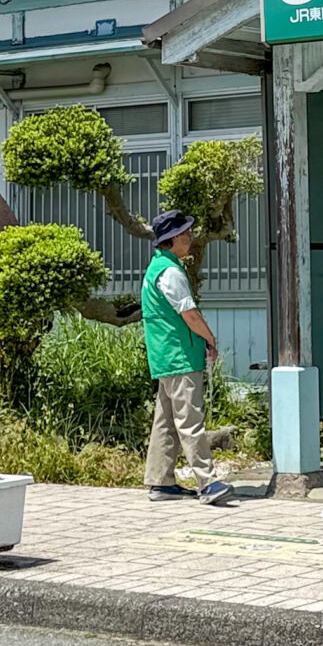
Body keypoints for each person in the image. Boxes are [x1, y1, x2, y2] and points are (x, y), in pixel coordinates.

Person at [141, 209, 235, 505]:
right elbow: (189, 314)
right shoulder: (171, 272)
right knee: (190, 419)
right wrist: (209, 337)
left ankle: (161, 482)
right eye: (186, 233)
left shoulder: (156, 267)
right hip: (180, 355)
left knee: (165, 421)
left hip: (164, 356)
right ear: (174, 238)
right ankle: (207, 483)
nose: (190, 237)